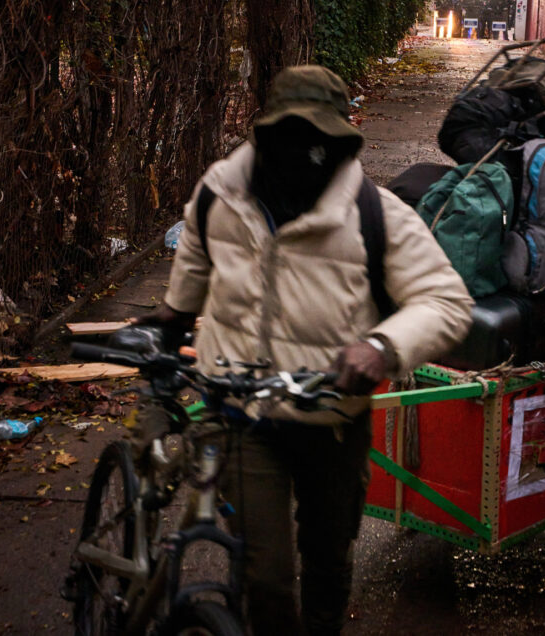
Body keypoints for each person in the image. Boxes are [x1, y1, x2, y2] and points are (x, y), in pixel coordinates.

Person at [143, 65, 474, 635]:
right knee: (265, 575)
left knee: (328, 559)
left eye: (320, 139)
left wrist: (382, 346)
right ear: (264, 132)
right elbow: (197, 256)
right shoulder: (219, 193)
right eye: (290, 135)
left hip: (332, 419)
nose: (304, 151)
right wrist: (174, 312)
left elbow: (446, 301)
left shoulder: (376, 215)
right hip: (242, 412)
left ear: (341, 141)